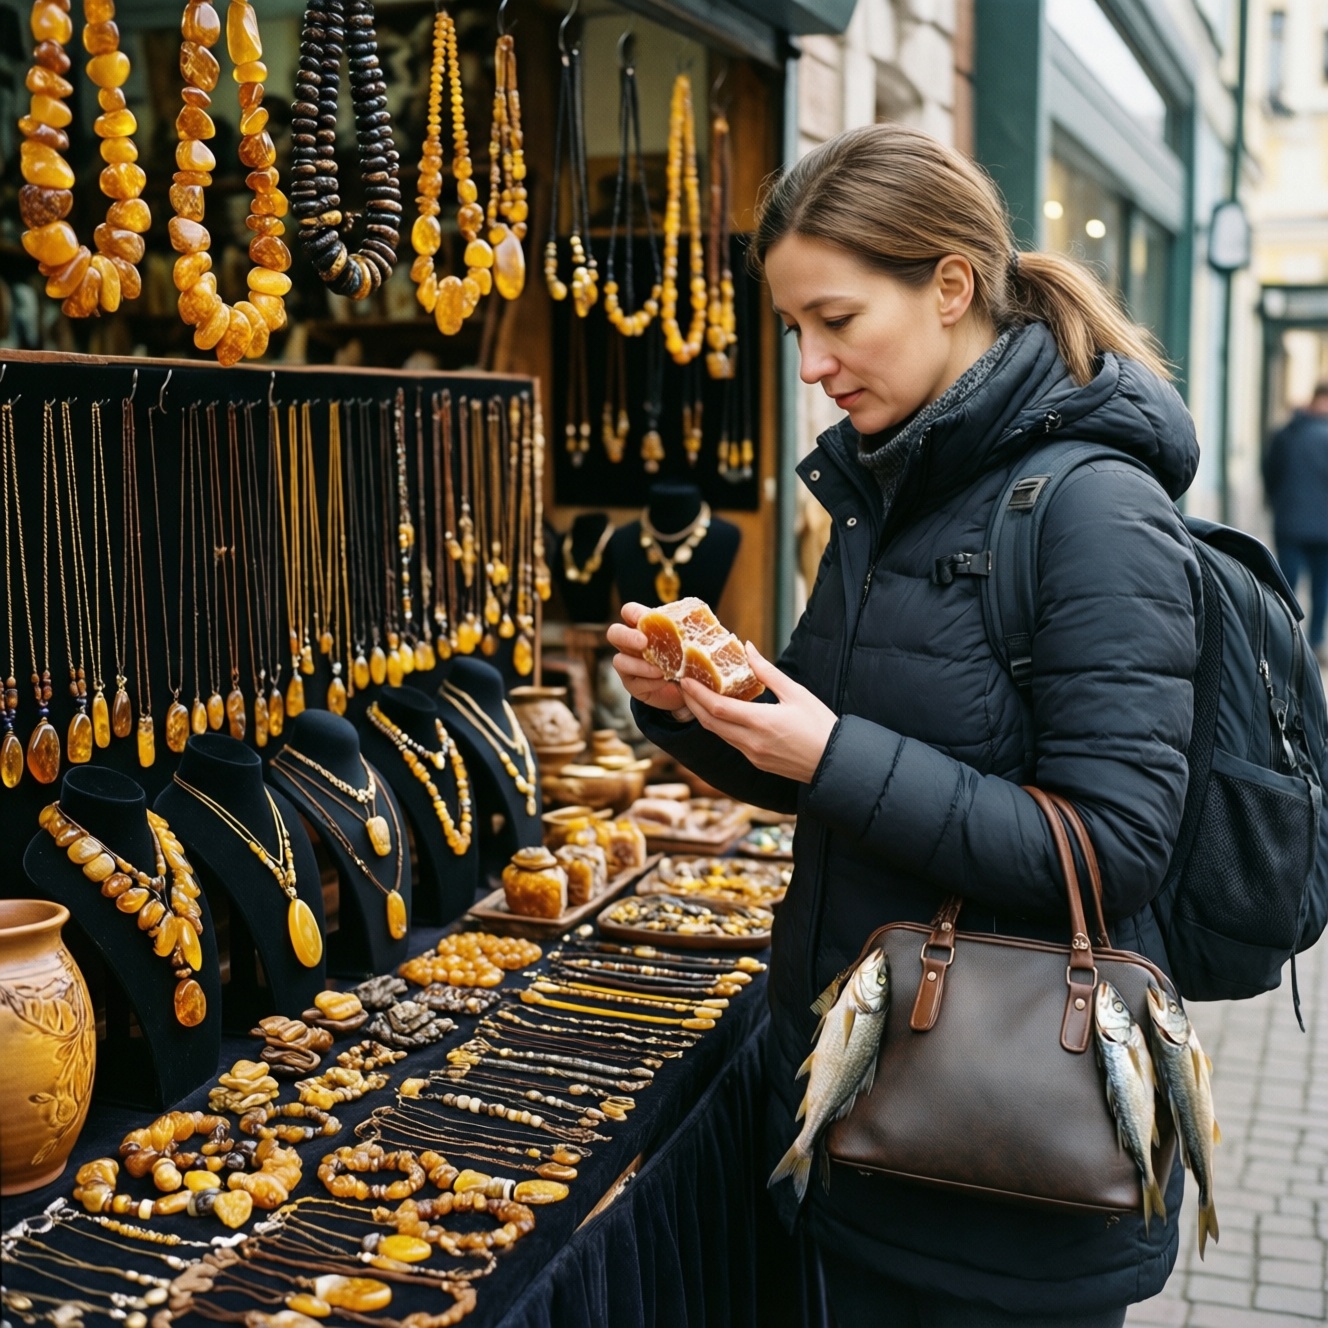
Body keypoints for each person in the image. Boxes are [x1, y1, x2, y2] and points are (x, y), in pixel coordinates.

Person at [608, 122, 1202, 1327]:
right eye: (792, 330)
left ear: (947, 285)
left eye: (836, 319)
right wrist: (699, 717)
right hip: (856, 1119)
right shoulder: (888, 490)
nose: (812, 364)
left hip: (1002, 1164)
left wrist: (832, 750)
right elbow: (831, 766)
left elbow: (1112, 846)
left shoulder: (1093, 506)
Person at [1262, 383, 1328, 663]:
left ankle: (1284, 643)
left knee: (1286, 587)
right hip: (1322, 527)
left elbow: (1269, 471)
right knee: (1320, 588)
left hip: (1290, 523)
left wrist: (1278, 503)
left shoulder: (1286, 433)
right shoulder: (1290, 435)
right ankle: (1314, 644)